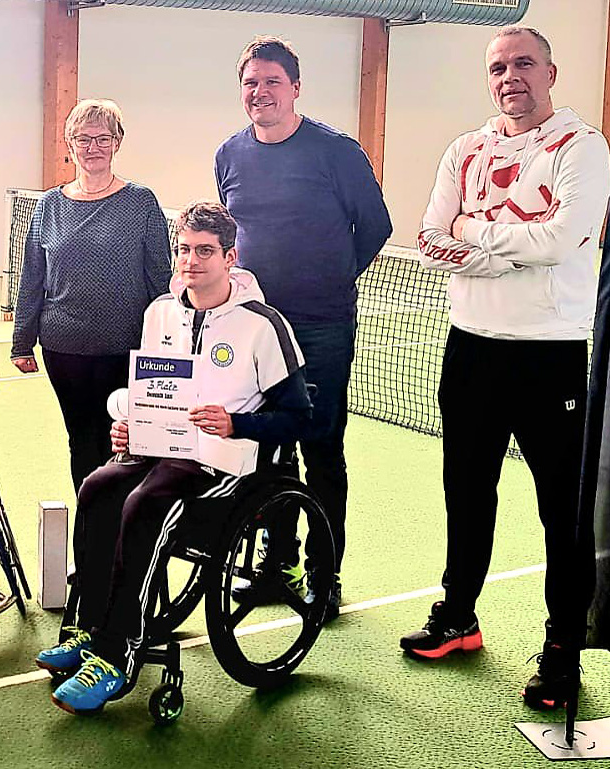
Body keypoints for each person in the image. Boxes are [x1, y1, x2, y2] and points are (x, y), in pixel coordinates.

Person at [35, 201, 311, 713]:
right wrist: (130, 426)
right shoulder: (160, 312)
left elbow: (301, 416)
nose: (191, 261)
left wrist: (239, 423)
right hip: (160, 448)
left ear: (231, 257)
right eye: (184, 249)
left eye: (205, 251)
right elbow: (151, 392)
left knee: (147, 503)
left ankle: (117, 656)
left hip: (224, 463)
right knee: (97, 486)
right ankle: (89, 629)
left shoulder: (263, 325)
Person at [404, 26, 610, 710]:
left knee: (561, 513)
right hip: (468, 347)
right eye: (497, 66)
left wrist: (474, 234)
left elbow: (558, 240)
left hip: (548, 353)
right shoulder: (465, 148)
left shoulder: (581, 148)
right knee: (465, 493)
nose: (509, 75)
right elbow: (428, 233)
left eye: (522, 63)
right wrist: (501, 249)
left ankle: (561, 649)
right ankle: (457, 614)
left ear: (549, 71)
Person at [213, 36, 392, 620]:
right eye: (250, 83)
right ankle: (274, 565)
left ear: (295, 88)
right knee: (269, 446)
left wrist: (332, 278)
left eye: (271, 82)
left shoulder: (336, 152)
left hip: (321, 328)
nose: (259, 92)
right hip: (256, 329)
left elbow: (374, 226)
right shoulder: (230, 155)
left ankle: (324, 574)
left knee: (321, 449)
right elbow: (235, 237)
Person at [11, 98, 172, 494]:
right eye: (83, 139)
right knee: (82, 442)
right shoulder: (49, 205)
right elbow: (32, 277)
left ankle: (124, 532)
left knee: (125, 444)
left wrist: (169, 343)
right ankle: (90, 533)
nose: (93, 147)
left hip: (127, 349)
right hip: (64, 350)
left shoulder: (141, 202)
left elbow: (160, 279)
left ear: (118, 143)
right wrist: (21, 342)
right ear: (70, 145)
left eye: (103, 138)